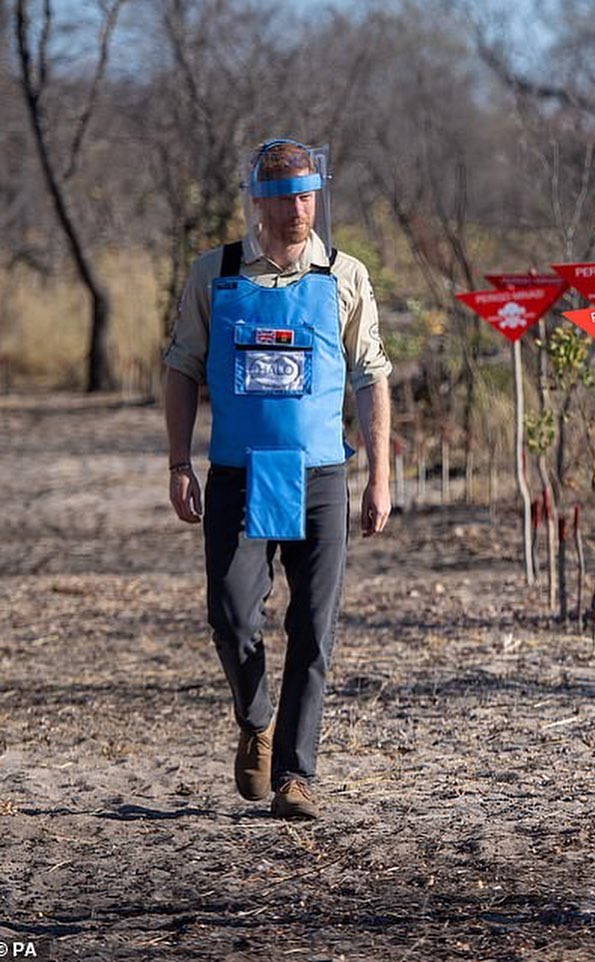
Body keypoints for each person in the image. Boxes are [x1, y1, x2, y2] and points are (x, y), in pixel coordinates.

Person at [163, 138, 392, 820]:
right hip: (238, 471)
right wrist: (179, 461)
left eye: (306, 195)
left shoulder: (344, 275)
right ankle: (256, 717)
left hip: (320, 473)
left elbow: (371, 375)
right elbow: (181, 366)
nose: (296, 209)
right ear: (255, 201)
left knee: (314, 628)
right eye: (282, 196)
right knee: (231, 616)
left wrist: (380, 476)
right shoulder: (217, 273)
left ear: (318, 193)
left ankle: (297, 773)